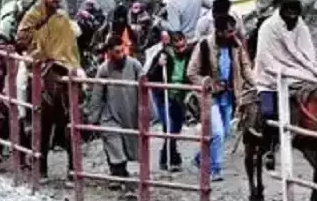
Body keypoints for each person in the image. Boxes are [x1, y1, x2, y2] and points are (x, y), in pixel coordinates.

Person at [189, 14, 255, 181]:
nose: (232, 34)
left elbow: (245, 66)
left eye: (233, 31)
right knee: (217, 132)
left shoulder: (235, 45)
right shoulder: (204, 45)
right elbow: (192, 72)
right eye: (228, 31)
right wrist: (207, 83)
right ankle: (215, 169)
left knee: (224, 132)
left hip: (229, 95)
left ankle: (201, 157)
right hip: (210, 96)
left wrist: (255, 84)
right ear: (218, 31)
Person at [253, 0, 317, 122]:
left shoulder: (301, 27)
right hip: (269, 78)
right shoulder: (268, 28)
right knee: (268, 113)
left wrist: (312, 71)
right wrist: (283, 73)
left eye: (294, 14)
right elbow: (265, 58)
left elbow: (307, 54)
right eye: (288, 13)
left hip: (298, 73)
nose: (291, 17)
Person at [86, 37, 144, 183]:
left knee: (128, 145)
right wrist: (94, 117)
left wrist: (146, 113)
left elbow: (145, 88)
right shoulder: (104, 69)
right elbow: (97, 94)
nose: (119, 55)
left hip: (130, 112)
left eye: (121, 51)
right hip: (110, 114)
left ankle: (120, 174)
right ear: (109, 52)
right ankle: (118, 175)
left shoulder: (135, 65)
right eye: (116, 52)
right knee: (113, 141)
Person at [146, 32, 191, 172]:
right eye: (177, 47)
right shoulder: (163, 54)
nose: (181, 50)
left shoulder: (190, 55)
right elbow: (150, 76)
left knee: (176, 129)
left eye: (183, 46)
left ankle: (168, 156)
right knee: (169, 128)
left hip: (179, 97)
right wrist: (159, 65)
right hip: (163, 96)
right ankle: (171, 158)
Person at [25, 0, 81, 70]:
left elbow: (71, 42)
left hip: (64, 60)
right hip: (44, 58)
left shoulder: (62, 16)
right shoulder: (36, 17)